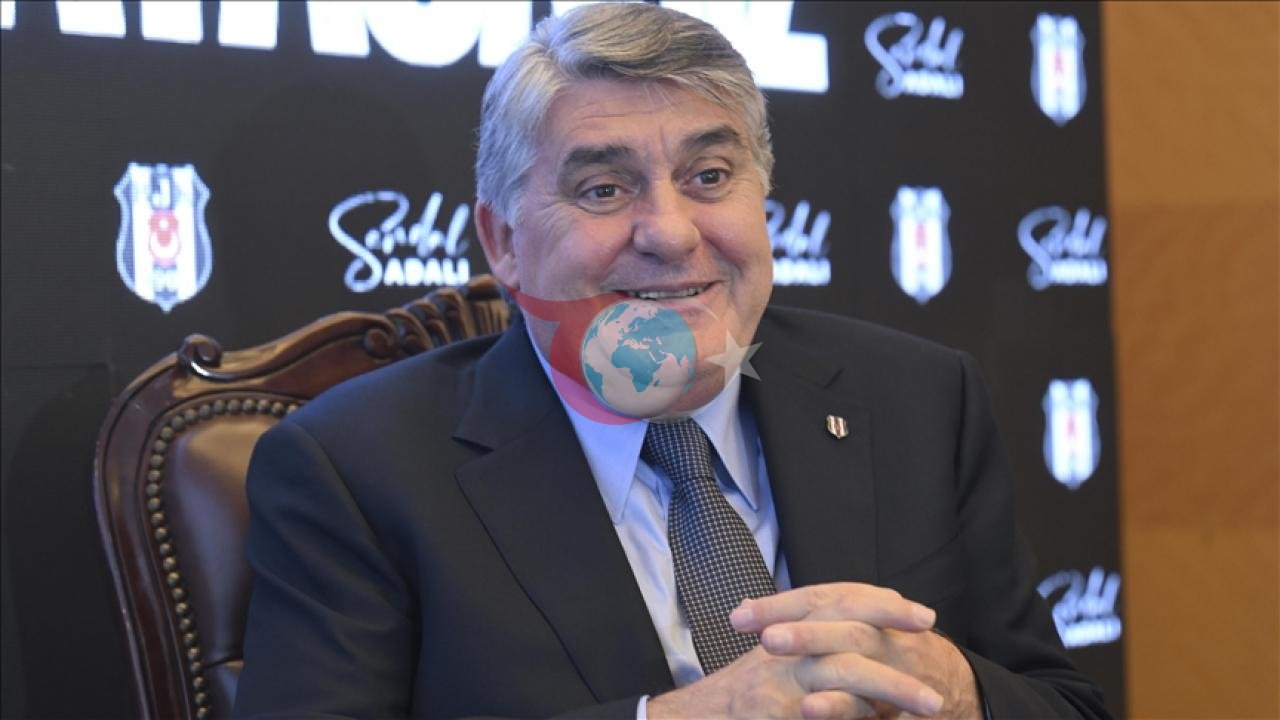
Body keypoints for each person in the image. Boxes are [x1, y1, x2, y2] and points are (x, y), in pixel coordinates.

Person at [233, 4, 1109, 719]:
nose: (672, 233)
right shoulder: (358, 470)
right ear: (502, 242)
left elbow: (1065, 705)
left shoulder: (918, 399)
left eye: (710, 176)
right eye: (604, 189)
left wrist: (956, 691)